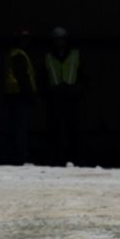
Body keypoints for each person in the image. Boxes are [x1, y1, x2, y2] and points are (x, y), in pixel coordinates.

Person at [41, 25, 83, 165]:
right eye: (57, 40)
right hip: (55, 98)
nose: (60, 43)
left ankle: (73, 158)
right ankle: (56, 159)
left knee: (73, 130)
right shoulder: (48, 57)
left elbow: (83, 76)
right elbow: (43, 77)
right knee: (55, 130)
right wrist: (49, 91)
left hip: (72, 98)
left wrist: (76, 89)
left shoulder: (75, 55)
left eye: (62, 39)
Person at [2, 29, 38, 164]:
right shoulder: (18, 55)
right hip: (19, 96)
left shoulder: (15, 54)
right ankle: (20, 158)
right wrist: (31, 97)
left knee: (16, 128)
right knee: (20, 129)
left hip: (14, 96)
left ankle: (16, 157)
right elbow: (23, 78)